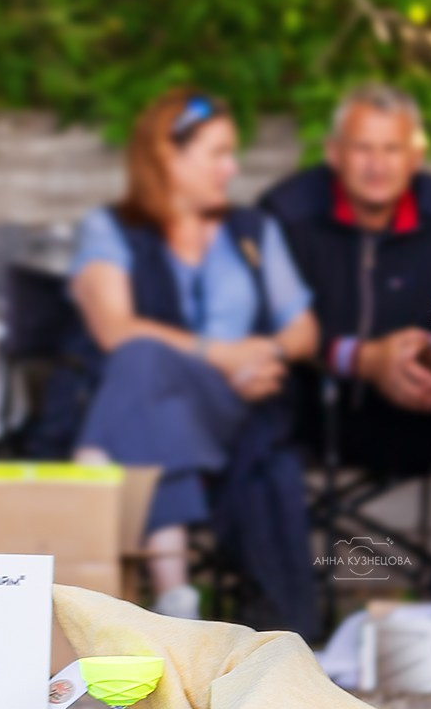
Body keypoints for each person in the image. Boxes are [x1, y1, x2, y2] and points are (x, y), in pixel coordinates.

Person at [68, 88, 320, 630]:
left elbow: (303, 329)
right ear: (167, 154)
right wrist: (221, 354)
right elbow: (113, 329)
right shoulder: (110, 229)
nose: (232, 169)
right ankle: (176, 599)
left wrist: (263, 357)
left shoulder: (252, 232)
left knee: (143, 375)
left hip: (236, 406)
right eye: (218, 153)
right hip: (156, 403)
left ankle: (92, 476)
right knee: (145, 369)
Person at [262, 84, 431, 595]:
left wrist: (423, 355)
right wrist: (362, 359)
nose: (377, 165)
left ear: (415, 155)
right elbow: (265, 325)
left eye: (391, 149)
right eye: (362, 148)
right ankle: (276, 600)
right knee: (261, 392)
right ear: (334, 153)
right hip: (315, 412)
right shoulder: (286, 212)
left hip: (419, 407)